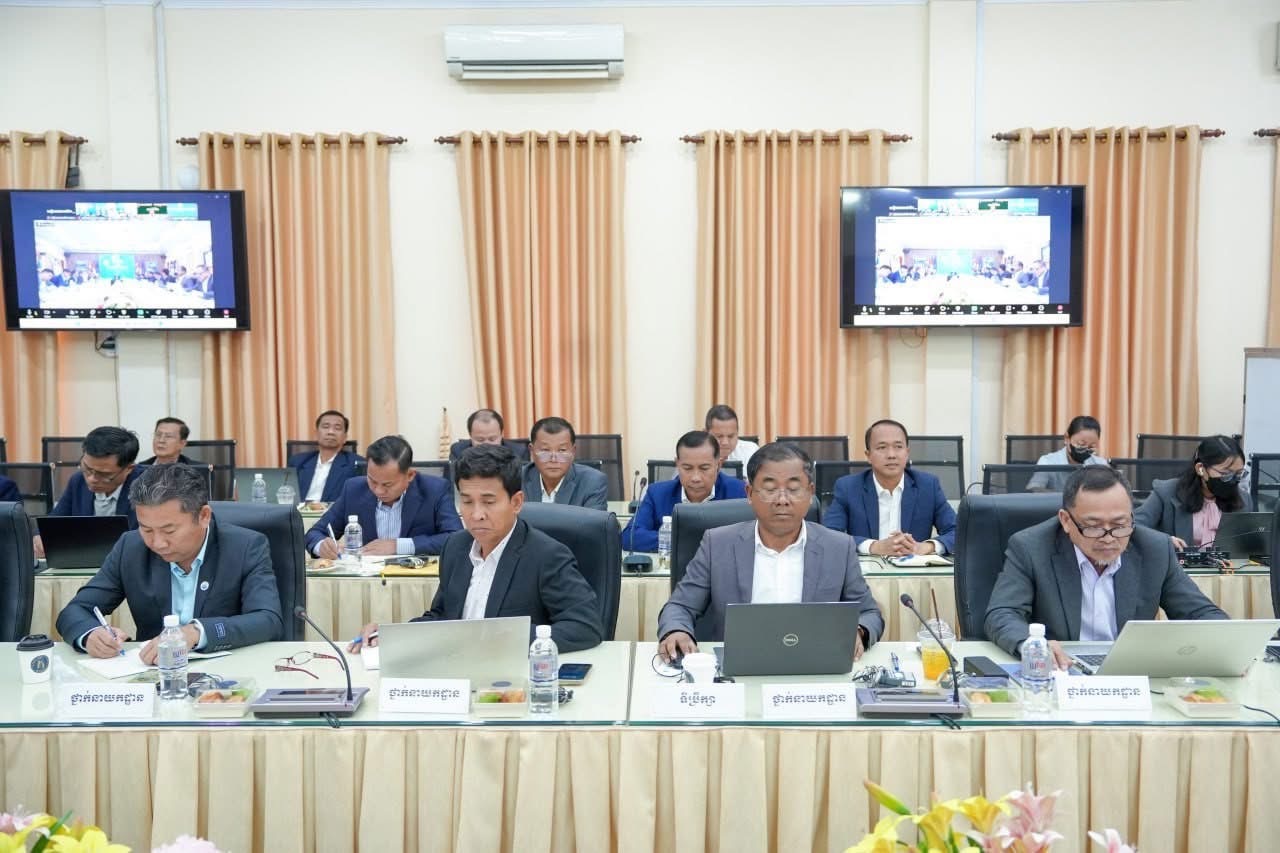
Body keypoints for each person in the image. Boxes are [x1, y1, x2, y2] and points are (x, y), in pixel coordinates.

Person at [348, 445, 604, 653]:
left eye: (489, 502)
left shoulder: (547, 555)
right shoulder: (455, 547)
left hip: (512, 680)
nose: (476, 514)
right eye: (467, 502)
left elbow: (585, 627)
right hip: (457, 671)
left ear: (516, 502)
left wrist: (496, 639)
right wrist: (393, 635)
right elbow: (442, 616)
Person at [657, 442, 885, 662]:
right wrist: (677, 630)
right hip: (738, 668)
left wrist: (859, 631)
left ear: (810, 493)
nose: (782, 500)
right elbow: (680, 606)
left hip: (815, 666)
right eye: (769, 489)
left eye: (793, 489)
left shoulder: (838, 547)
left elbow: (869, 613)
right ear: (749, 493)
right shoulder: (717, 544)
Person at [985, 465, 1226, 669]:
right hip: (1061, 669)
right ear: (1066, 521)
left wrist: (1227, 647)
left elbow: (1199, 613)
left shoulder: (1155, 549)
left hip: (1129, 671)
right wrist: (1033, 645)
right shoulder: (1031, 547)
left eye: (1120, 525)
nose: (1109, 538)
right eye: (1094, 526)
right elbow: (1002, 613)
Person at [55, 462, 284, 660]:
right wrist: (91, 635)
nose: (157, 543)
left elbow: (267, 620)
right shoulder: (131, 547)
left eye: (169, 530)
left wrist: (196, 633)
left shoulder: (244, 546)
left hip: (227, 672)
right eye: (146, 529)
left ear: (204, 516)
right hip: (152, 673)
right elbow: (76, 610)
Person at [305, 435, 462, 557]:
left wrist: (398, 546)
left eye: (387, 485)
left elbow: (456, 538)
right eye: (372, 481)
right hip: (366, 580)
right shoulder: (353, 489)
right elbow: (314, 533)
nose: (378, 491)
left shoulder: (434, 490)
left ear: (410, 475)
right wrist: (321, 546)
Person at [822, 419, 957, 556]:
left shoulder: (928, 486)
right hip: (866, 568)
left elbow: (957, 531)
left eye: (898, 447)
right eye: (882, 447)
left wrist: (926, 547)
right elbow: (829, 535)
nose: (891, 455)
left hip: (913, 568)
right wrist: (873, 546)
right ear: (868, 456)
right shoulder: (848, 488)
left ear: (907, 453)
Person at [621, 430, 747, 552]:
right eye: (687, 468)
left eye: (704, 468)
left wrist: (676, 541)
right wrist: (686, 541)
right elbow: (629, 537)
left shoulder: (739, 492)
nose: (695, 478)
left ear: (718, 465)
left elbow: (749, 538)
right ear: (677, 464)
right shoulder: (657, 493)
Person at [36, 426, 145, 559]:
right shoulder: (78, 481)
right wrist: (40, 536)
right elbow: (53, 522)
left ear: (129, 468)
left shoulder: (148, 486)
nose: (91, 479)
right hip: (82, 559)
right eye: (87, 468)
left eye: (104, 474)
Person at [1135, 434, 1251, 550]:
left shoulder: (1244, 499)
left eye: (1239, 474)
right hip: (1176, 561)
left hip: (1226, 562)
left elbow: (1247, 544)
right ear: (1200, 468)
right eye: (1226, 474)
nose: (1233, 480)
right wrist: (1164, 540)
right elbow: (1135, 526)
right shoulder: (1166, 492)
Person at [521, 417, 608, 510]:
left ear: (573, 452)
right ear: (532, 451)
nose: (553, 459)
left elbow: (593, 519)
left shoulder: (593, 482)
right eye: (545, 450)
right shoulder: (517, 479)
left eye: (562, 450)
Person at [290, 410, 364, 503]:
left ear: (345, 437)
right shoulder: (298, 461)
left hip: (333, 511)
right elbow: (287, 494)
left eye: (337, 428)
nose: (331, 432)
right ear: (316, 434)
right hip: (299, 510)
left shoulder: (356, 464)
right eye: (326, 427)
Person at [1026, 415, 1109, 492]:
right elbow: (1034, 489)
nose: (1086, 449)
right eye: (1081, 444)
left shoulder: (1100, 464)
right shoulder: (1048, 461)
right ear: (1067, 438)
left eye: (1091, 446)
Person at [448, 408, 528, 462]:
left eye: (492, 439)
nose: (486, 445)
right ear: (470, 435)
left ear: (501, 434)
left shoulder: (518, 452)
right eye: (480, 440)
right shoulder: (458, 451)